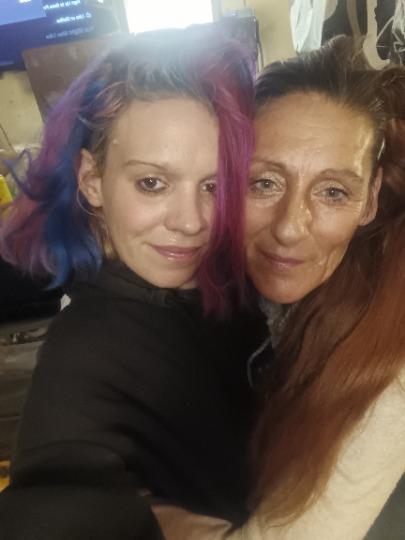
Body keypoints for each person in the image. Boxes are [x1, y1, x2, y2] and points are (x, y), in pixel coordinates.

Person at [0, 28, 268, 539]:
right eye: (152, 183)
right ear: (91, 180)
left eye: (214, 186)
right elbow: (52, 495)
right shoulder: (87, 351)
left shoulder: (228, 283)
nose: (191, 221)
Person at [154, 36, 405, 540]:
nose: (290, 227)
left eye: (333, 191)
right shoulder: (236, 296)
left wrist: (130, 502)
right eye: (264, 183)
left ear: (371, 199)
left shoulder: (390, 369)